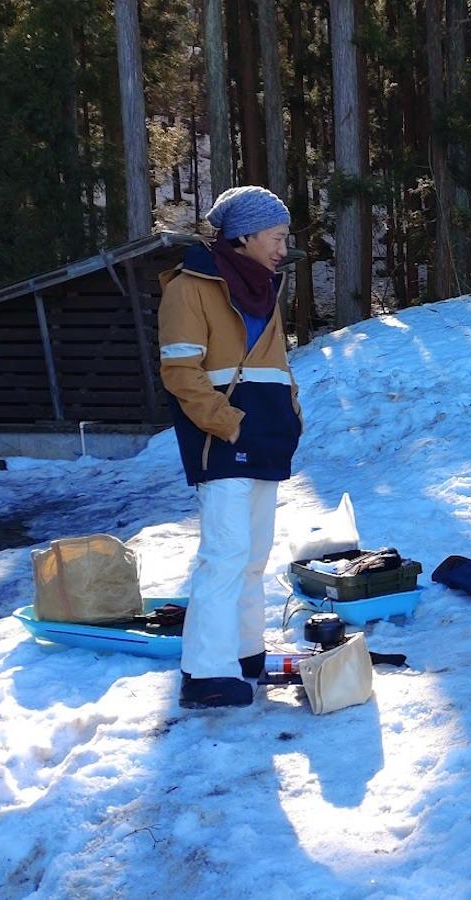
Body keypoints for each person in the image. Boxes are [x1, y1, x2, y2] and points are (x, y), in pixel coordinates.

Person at [158, 186, 302, 709]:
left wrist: (291, 415)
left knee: (255, 556)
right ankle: (204, 672)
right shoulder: (189, 287)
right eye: (277, 236)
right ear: (244, 236)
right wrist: (229, 424)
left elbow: (274, 367)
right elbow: (180, 371)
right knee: (224, 555)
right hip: (222, 440)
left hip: (266, 435)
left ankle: (244, 655)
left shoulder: (264, 286)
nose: (283, 247)